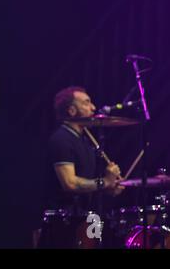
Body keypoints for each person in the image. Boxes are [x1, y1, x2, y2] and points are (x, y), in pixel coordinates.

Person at [38, 86, 124, 248]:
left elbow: (88, 183)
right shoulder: (61, 139)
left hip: (88, 219)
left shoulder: (85, 141)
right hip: (65, 224)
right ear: (71, 111)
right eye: (86, 103)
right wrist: (104, 182)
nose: (93, 107)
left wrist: (109, 186)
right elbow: (69, 183)